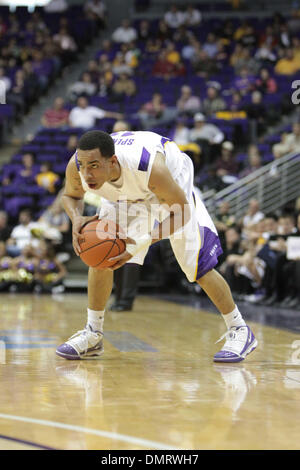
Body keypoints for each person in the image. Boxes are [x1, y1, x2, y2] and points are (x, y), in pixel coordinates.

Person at [56, 130, 257, 362]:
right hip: (122, 195)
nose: (87, 173)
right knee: (100, 254)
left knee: (196, 266)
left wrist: (142, 242)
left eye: (93, 166)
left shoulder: (150, 167)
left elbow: (181, 213)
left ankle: (240, 329)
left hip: (169, 185)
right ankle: (93, 333)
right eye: (83, 165)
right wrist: (76, 219)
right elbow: (70, 196)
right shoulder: (77, 166)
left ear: (112, 162)